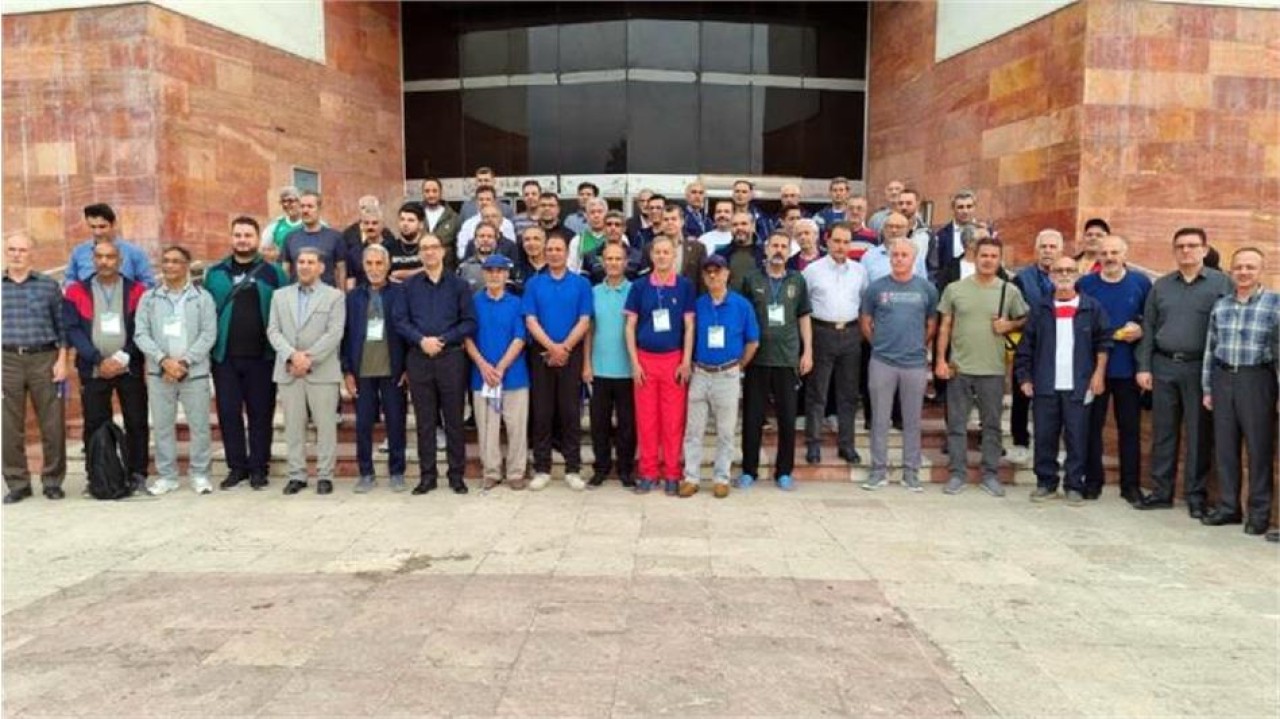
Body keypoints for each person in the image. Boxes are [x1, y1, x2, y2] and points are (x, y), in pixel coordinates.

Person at [1134, 228, 1231, 515]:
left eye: (1192, 245)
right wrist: (1144, 366)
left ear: (1204, 249)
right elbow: (1148, 326)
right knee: (1163, 432)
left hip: (1200, 368)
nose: (1186, 251)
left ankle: (1195, 496)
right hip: (1163, 366)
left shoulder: (1222, 283)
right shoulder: (1161, 286)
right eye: (1180, 246)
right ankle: (1161, 491)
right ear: (1174, 251)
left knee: (1199, 435)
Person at [935, 236, 1028, 497]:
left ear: (1000, 260)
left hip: (993, 369)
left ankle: (990, 474)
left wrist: (1009, 325)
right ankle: (957, 473)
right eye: (984, 255)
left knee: (992, 425)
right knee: (956, 425)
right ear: (975, 257)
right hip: (959, 367)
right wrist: (940, 360)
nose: (988, 260)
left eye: (993, 256)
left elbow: (1025, 318)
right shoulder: (955, 289)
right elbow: (945, 327)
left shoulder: (1009, 291)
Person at [1015, 258, 1112, 505]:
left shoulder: (1092, 307)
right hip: (1045, 383)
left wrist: (1098, 374)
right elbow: (1026, 346)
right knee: (1044, 436)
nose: (1065, 274)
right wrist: (1024, 377)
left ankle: (1074, 485)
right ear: (1051, 276)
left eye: (1070, 270)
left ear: (1078, 275)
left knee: (1077, 438)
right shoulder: (1040, 308)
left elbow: (1103, 343)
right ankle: (1046, 483)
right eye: (1059, 270)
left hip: (1079, 385)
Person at [205, 217, 289, 491]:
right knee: (229, 414)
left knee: (261, 414)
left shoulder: (274, 273)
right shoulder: (215, 273)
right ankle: (237, 467)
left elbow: (285, 313)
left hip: (263, 357)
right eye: (238, 235)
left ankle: (259, 468)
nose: (242, 240)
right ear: (231, 238)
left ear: (257, 239)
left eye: (248, 235)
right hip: (225, 357)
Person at [1200, 248, 1278, 536]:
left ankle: (1258, 514)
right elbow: (1210, 349)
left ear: (1261, 271)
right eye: (1239, 267)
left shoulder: (1275, 304)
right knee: (1225, 447)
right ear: (1231, 271)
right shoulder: (1221, 305)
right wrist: (1208, 388)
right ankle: (1228, 507)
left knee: (1258, 449)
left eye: (1250, 267)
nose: (1244, 272)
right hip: (1223, 378)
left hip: (1257, 380)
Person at [63, 238, 150, 494]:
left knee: (136, 421)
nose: (104, 262)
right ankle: (98, 476)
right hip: (93, 369)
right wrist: (98, 360)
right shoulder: (76, 291)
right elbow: (72, 329)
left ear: (120, 261)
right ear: (92, 260)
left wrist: (123, 357)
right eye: (99, 257)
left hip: (129, 368)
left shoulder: (137, 291)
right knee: (95, 423)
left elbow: (142, 328)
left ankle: (137, 473)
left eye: (110, 257)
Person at [392, 233, 476, 495]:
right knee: (425, 422)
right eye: (424, 248)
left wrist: (443, 339)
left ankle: (456, 475)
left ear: (442, 251)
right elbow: (400, 321)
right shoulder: (408, 287)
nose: (429, 252)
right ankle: (427, 476)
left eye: (433, 247)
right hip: (419, 359)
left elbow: (469, 322)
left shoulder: (459, 285)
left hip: (451, 358)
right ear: (419, 253)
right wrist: (421, 340)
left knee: (454, 420)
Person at [134, 246, 218, 496]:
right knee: (162, 427)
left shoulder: (202, 298)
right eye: (166, 261)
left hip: (194, 373)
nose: (169, 266)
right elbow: (141, 333)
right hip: (160, 374)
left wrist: (184, 362)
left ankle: (200, 474)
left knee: (199, 427)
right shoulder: (149, 298)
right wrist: (163, 361)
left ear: (187, 266)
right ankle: (167, 476)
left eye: (175, 261)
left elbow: (209, 334)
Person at [859, 237, 938, 492]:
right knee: (879, 420)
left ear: (913, 259)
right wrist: (879, 345)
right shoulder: (876, 288)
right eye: (895, 255)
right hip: (882, 361)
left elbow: (931, 324)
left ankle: (911, 472)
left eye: (904, 255)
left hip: (914, 363)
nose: (899, 259)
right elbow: (865, 322)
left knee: (912, 421)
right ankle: (877, 471)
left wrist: (918, 345)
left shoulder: (926, 289)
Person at [1077, 235, 1151, 503]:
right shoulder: (1085, 284)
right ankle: (1092, 481)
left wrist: (1140, 329)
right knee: (1091, 427)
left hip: (1128, 368)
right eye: (1104, 253)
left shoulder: (1141, 283)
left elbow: (1151, 319)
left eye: (1115, 252)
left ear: (1125, 254)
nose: (1109, 257)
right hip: (1093, 369)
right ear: (1097, 256)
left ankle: (1130, 485)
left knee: (1129, 429)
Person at [267, 247, 345, 496]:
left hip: (321, 370)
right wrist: (292, 356)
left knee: (326, 426)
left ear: (321, 267)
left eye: (311, 262)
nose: (305, 266)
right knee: (293, 426)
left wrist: (307, 358)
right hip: (289, 370)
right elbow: (273, 331)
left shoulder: (334, 296)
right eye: (301, 262)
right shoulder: (280, 296)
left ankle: (325, 475)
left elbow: (334, 333)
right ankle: (296, 475)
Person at [680, 255, 759, 498]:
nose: (713, 275)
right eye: (708, 272)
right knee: (694, 431)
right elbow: (689, 334)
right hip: (700, 373)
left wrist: (739, 365)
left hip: (727, 375)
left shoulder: (742, 305)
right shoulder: (698, 304)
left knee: (725, 432)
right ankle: (691, 477)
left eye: (718, 271)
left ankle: (721, 478)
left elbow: (753, 341)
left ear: (727, 274)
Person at [740, 232, 813, 490]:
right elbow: (743, 317)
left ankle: (784, 471)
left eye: (784, 246)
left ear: (789, 251)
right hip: (757, 359)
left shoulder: (797, 280)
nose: (779, 250)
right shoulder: (751, 279)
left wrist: (808, 351)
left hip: (786, 358)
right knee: (752, 418)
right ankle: (748, 470)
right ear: (766, 249)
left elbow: (804, 317)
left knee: (787, 418)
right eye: (775, 246)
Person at [625, 235, 696, 495]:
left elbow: (689, 326)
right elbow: (630, 327)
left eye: (667, 252)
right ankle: (648, 472)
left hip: (673, 360)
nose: (662, 256)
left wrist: (685, 360)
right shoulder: (640, 286)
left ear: (674, 255)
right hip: (645, 360)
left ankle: (672, 474)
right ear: (652, 255)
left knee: (673, 421)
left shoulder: (684, 286)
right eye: (658, 252)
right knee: (646, 420)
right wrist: (634, 363)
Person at [522, 233, 593, 491]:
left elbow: (584, 320)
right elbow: (530, 320)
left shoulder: (581, 283)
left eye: (558, 249)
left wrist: (564, 348)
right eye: (550, 249)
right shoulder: (534, 283)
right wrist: (552, 347)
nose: (553, 253)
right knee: (542, 413)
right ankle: (542, 468)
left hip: (571, 356)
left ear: (566, 253)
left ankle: (573, 468)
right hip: (541, 355)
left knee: (570, 413)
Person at [2, 233, 69, 504]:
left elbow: (62, 326)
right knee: (8, 426)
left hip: (45, 358)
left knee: (52, 424)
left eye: (22, 250)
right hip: (6, 360)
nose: (17, 254)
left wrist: (62, 360)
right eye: (12, 249)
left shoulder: (48, 286)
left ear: (32, 254)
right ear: (5, 252)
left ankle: (52, 481)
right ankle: (17, 483)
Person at [342, 244, 408, 493]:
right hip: (363, 370)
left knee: (396, 423)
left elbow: (408, 331)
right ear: (363, 266)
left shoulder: (401, 294)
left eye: (379, 263)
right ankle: (366, 473)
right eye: (369, 263)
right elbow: (345, 336)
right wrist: (347, 371)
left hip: (393, 369)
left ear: (388, 265)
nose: (374, 268)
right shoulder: (353, 298)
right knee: (363, 425)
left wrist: (408, 368)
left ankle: (397, 472)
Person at [802, 223, 869, 466]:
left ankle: (846, 445)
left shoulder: (859, 271)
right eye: (837, 241)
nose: (841, 246)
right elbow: (803, 306)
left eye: (846, 242)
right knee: (817, 392)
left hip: (850, 334)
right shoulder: (812, 271)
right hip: (821, 332)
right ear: (827, 241)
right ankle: (813, 444)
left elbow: (863, 303)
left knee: (848, 394)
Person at [465, 255, 530, 490]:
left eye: (499, 271)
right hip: (482, 376)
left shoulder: (517, 303)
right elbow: (467, 338)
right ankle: (491, 472)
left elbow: (520, 338)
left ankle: (516, 472)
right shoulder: (473, 303)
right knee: (487, 428)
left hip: (514, 376)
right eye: (490, 271)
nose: (495, 275)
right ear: (483, 274)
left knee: (517, 427)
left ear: (506, 275)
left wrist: (500, 367)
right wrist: (484, 366)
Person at [583, 243, 637, 488]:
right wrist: (586, 363)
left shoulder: (635, 291)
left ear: (626, 262)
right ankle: (601, 468)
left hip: (628, 369)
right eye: (609, 259)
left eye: (618, 259)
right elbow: (589, 330)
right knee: (599, 424)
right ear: (602, 262)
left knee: (627, 425)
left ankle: (626, 469)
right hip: (600, 367)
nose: (613, 263)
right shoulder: (593, 292)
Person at [1008, 229, 1064, 464]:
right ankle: (1020, 442)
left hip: (1061, 346)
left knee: (1058, 399)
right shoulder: (1021, 279)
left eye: (1052, 247)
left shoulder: (1070, 277)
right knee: (1022, 395)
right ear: (1035, 250)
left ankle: (1055, 446)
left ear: (1061, 251)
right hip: (1028, 345)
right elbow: (1015, 312)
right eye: (1043, 247)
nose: (1048, 251)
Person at [64, 203, 156, 287]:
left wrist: (130, 293)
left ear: (114, 224)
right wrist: (80, 293)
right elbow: (69, 280)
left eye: (102, 227)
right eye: (93, 227)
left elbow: (149, 283)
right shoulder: (79, 252)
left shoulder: (134, 252)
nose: (97, 232)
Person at [281, 191, 346, 289]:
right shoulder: (290, 238)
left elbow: (341, 270)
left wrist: (342, 294)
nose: (305, 210)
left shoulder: (335, 237)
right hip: (297, 294)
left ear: (319, 209)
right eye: (302, 206)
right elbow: (285, 271)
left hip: (326, 295)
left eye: (310, 206)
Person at [581, 211, 644, 285]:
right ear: (603, 228)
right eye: (609, 224)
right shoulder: (590, 256)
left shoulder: (638, 256)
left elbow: (643, 285)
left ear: (624, 229)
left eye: (617, 225)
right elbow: (584, 284)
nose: (613, 228)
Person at [457, 187, 517, 260]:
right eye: (481, 199)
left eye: (488, 199)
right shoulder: (468, 224)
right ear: (476, 202)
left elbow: (511, 248)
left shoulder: (507, 223)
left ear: (495, 201)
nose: (484, 202)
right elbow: (461, 252)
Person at [420, 178, 462, 269]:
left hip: (446, 268)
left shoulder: (453, 217)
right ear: (422, 193)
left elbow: (458, 246)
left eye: (434, 191)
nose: (431, 195)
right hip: (420, 267)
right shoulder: (417, 215)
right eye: (427, 191)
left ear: (441, 193)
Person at [933, 190, 978, 277]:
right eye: (960, 207)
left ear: (975, 207)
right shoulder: (942, 235)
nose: (965, 211)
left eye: (969, 206)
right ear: (953, 209)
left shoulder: (985, 233)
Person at [385, 202, 426, 282]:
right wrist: (421, 270)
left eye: (411, 220)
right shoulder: (388, 247)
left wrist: (401, 274)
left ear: (421, 224)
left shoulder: (428, 247)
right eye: (402, 219)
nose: (405, 224)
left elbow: (432, 271)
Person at [567, 197, 609, 272]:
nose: (596, 215)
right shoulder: (577, 240)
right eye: (592, 212)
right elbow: (571, 269)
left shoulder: (620, 238)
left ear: (606, 215)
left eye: (600, 212)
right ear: (586, 216)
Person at [262, 186, 304, 253]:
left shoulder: (313, 224)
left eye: (290, 201)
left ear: (300, 202)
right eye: (283, 201)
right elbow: (263, 249)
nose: (286, 204)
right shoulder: (275, 226)